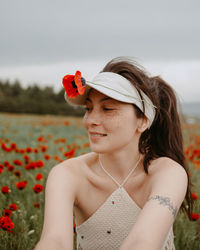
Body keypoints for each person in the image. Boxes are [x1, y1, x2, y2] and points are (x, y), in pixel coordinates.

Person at [34, 57, 194, 250]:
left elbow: (142, 243)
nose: (91, 120)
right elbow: (55, 241)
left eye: (108, 109)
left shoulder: (167, 173)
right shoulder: (67, 174)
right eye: (89, 108)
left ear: (143, 120)